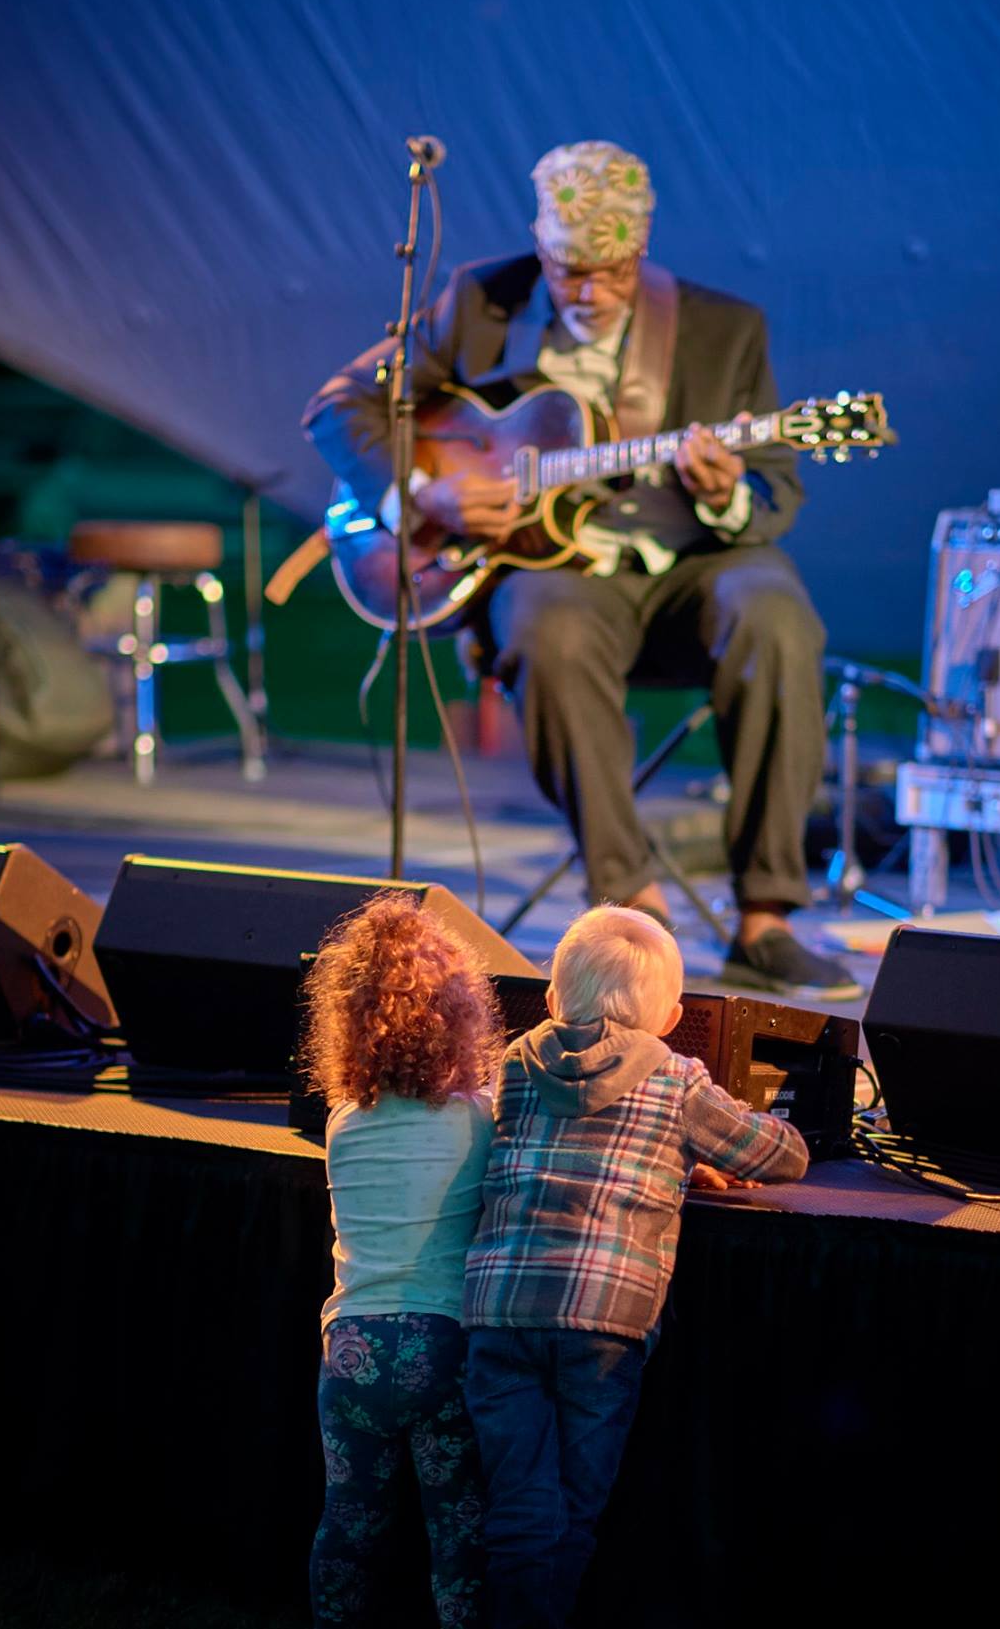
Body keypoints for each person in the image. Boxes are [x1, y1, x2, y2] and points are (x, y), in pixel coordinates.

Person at [304, 138, 860, 1003]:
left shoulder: (722, 328)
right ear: (541, 247)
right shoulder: (482, 301)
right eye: (568, 271)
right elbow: (341, 406)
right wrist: (423, 496)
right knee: (547, 625)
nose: (588, 292)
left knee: (778, 614)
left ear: (641, 250)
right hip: (551, 575)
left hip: (687, 570)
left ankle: (767, 921)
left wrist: (724, 495)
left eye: (610, 270)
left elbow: (774, 491)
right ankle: (632, 908)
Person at [461, 905, 809, 1629]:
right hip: (603, 1326)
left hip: (499, 1313)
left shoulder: (512, 1064)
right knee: (573, 1505)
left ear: (553, 997)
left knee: (517, 1500)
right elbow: (780, 1156)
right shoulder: (676, 1076)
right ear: (673, 1015)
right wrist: (689, 1155)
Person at [302, 892, 500, 1629]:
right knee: (457, 1522)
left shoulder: (344, 1118)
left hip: (349, 1346)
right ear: (461, 1013)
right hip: (439, 1342)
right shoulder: (479, 1119)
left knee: (348, 1519)